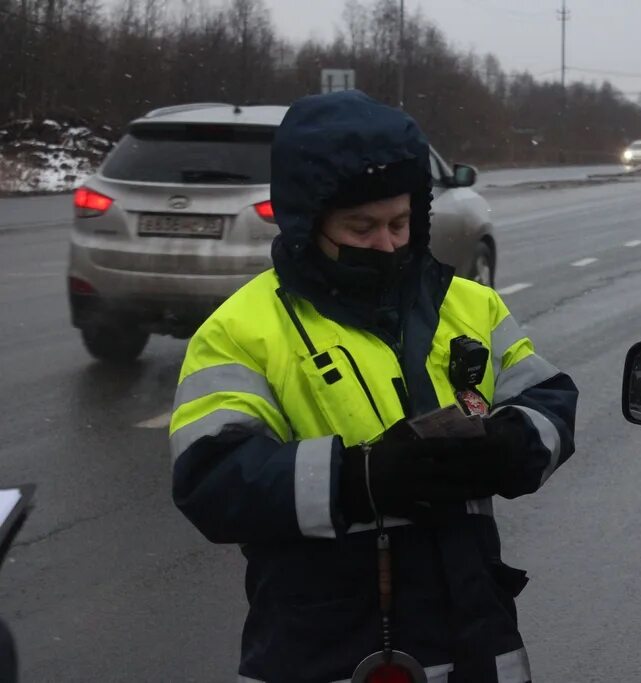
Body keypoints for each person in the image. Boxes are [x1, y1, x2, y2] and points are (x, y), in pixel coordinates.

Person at [169, 90, 578, 683]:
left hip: (476, 638)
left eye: (399, 223)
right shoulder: (243, 329)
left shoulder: (471, 305)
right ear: (309, 224)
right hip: (322, 649)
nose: (387, 244)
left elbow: (551, 401)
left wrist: (511, 443)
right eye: (361, 227)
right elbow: (211, 480)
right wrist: (356, 478)